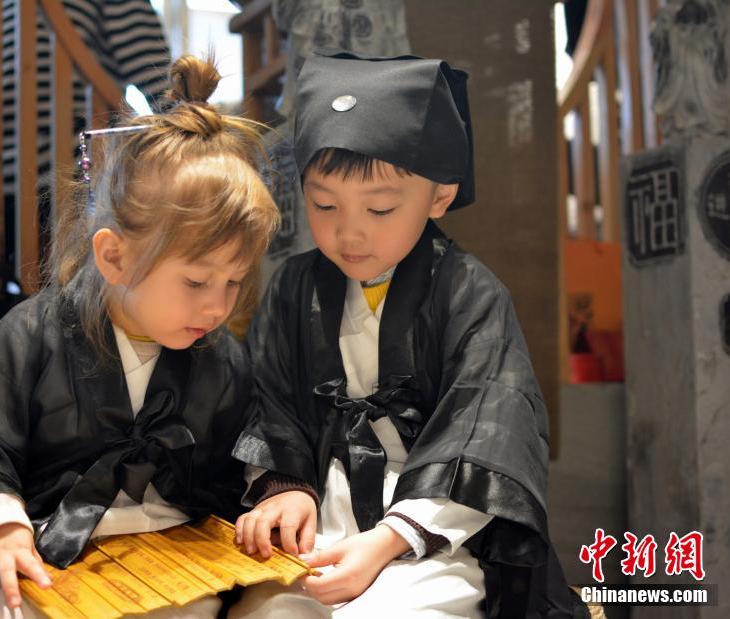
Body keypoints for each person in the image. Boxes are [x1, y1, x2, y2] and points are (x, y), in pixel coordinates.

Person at [0, 55, 280, 619]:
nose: (217, 306)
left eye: (234, 282)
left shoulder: (220, 356)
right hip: (47, 552)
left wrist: (278, 490)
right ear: (114, 256)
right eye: (196, 281)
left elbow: (257, 441)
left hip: (178, 563)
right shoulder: (31, 335)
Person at [230, 51, 588, 617]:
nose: (349, 233)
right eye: (324, 204)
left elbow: (487, 430)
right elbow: (268, 403)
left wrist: (388, 540)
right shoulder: (293, 287)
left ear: (439, 195)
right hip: (319, 520)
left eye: (380, 209)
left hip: (433, 536)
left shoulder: (469, 292)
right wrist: (285, 488)